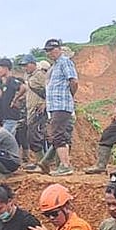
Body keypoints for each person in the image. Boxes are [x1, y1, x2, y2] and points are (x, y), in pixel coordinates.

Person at [41, 39, 79, 176]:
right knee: (59, 134)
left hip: (61, 104)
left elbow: (74, 81)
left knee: (57, 135)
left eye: (52, 50)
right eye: (47, 51)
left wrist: (69, 95)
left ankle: (65, 165)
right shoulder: (56, 65)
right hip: (56, 105)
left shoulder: (64, 62)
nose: (49, 53)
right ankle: (64, 164)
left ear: (59, 49)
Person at [19, 54, 50, 171]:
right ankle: (40, 162)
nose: (24, 68)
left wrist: (45, 103)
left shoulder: (40, 75)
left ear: (33, 64)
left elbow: (49, 89)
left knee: (35, 137)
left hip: (38, 110)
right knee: (32, 137)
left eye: (26, 65)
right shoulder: (29, 76)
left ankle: (42, 163)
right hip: (31, 110)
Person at [0, 58, 23, 134]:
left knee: (6, 139)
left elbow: (24, 88)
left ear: (6, 68)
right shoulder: (2, 83)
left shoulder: (12, 80)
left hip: (11, 117)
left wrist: (15, 99)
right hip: (4, 117)